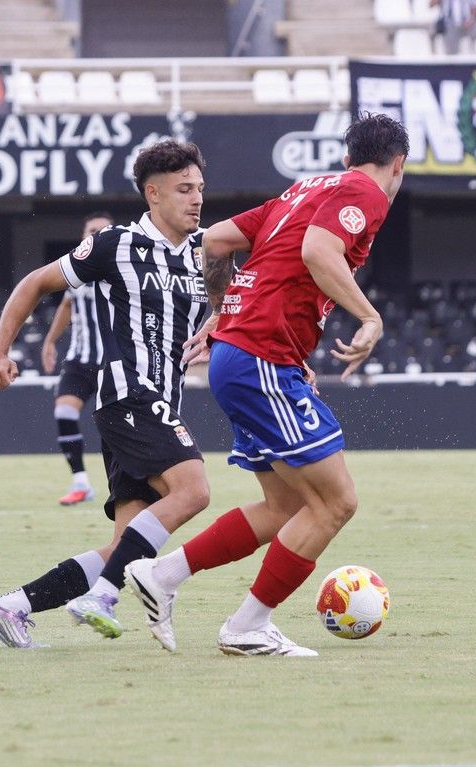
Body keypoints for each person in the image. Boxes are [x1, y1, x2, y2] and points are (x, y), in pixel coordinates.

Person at [122, 113, 409, 657]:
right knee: (335, 503)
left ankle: (163, 576)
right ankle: (248, 625)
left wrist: (224, 312)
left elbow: (216, 241)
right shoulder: (365, 192)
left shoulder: (305, 188)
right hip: (260, 360)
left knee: (283, 507)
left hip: (243, 356)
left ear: (348, 156)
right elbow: (318, 253)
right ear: (397, 164)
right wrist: (370, 318)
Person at [0, 140, 212, 648]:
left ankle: (10, 607)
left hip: (160, 402)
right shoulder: (114, 243)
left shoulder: (205, 254)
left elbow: (231, 312)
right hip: (128, 395)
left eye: (200, 189)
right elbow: (36, 284)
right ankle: (101, 596)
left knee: (127, 550)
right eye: (184, 190)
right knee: (194, 491)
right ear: (152, 194)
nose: (196, 200)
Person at [39, 211, 113, 507]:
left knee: (114, 426)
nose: (95, 234)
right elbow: (67, 306)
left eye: (102, 230)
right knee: (64, 414)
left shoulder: (119, 269)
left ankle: (125, 485)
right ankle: (80, 482)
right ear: (82, 237)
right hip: (80, 359)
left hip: (113, 360)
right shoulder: (74, 271)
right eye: (90, 230)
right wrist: (50, 341)